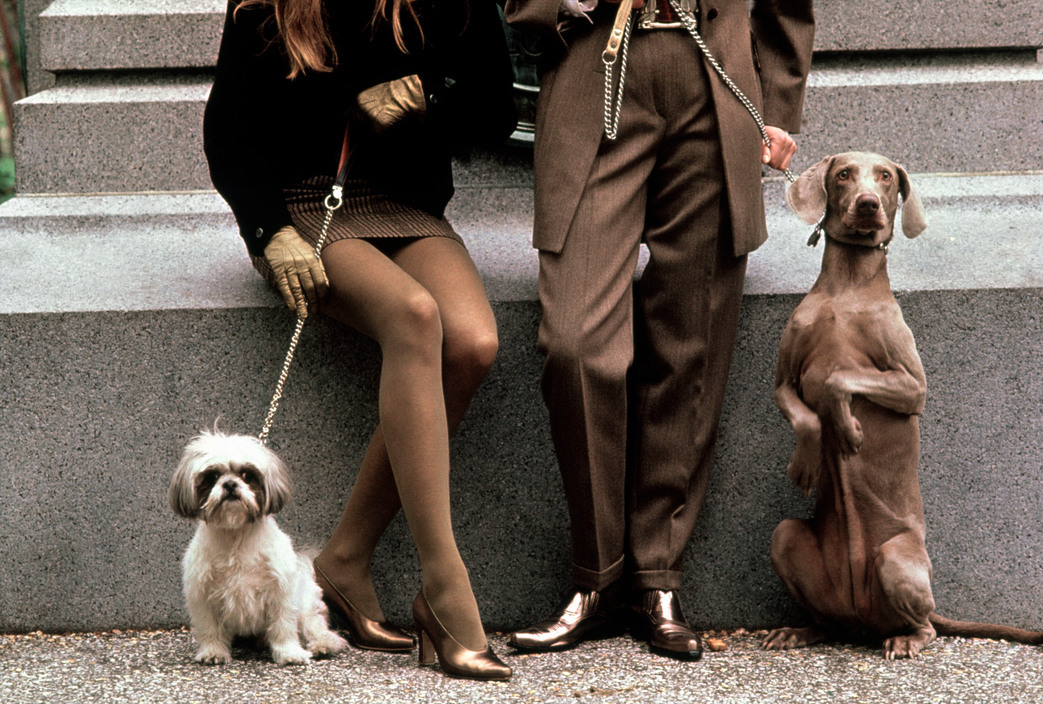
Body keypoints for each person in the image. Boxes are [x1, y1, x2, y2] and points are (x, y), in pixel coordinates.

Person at [203, 0, 517, 681]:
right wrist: (267, 230)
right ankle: (446, 588)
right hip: (302, 209)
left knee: (471, 344)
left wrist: (425, 95)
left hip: (403, 206)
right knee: (413, 315)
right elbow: (227, 133)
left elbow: (495, 112)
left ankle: (344, 558)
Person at [503, 0, 814, 659]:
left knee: (690, 346)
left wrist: (778, 106)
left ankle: (657, 576)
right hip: (598, 72)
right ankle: (596, 576)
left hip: (715, 79)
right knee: (576, 346)